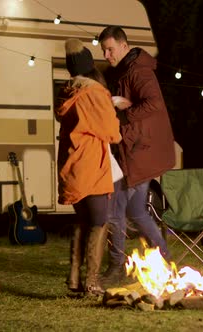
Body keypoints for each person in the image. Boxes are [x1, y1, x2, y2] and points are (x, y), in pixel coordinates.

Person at [98, 26, 176, 286]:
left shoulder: (139, 71)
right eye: (104, 50)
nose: (107, 54)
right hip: (136, 149)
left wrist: (123, 111)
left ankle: (117, 267)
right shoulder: (124, 70)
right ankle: (164, 256)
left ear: (123, 45)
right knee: (136, 211)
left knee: (114, 210)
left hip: (140, 151)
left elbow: (153, 103)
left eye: (110, 49)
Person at [55, 38, 122, 296]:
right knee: (99, 221)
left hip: (72, 167)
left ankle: (74, 278)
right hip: (91, 166)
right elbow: (112, 132)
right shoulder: (94, 93)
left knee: (83, 221)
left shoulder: (68, 91)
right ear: (88, 65)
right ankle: (92, 282)